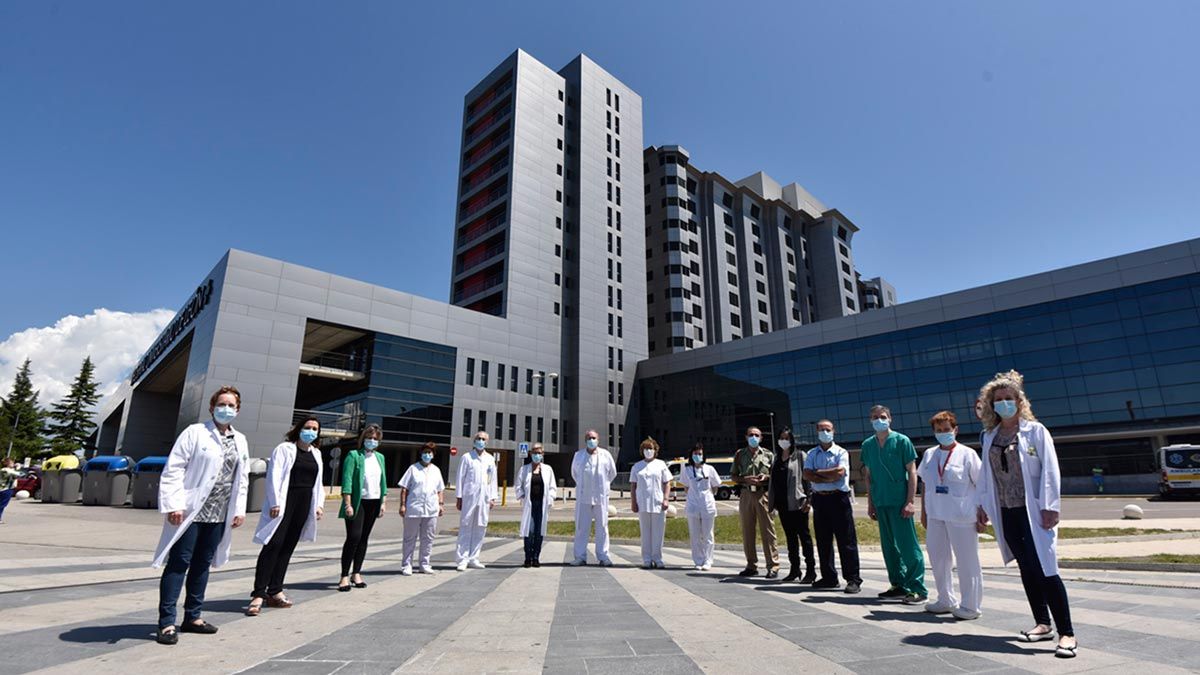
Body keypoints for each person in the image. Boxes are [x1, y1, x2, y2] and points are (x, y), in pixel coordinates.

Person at [976, 370, 1077, 658]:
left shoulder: (1035, 431)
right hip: (1005, 511)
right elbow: (986, 476)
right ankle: (1042, 623)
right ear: (991, 405)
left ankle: (1067, 632)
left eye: (1009, 398)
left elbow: (1050, 470)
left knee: (1045, 567)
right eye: (998, 400)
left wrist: (1050, 506)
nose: (1004, 403)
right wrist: (981, 505)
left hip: (1033, 510)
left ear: (1020, 402)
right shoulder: (989, 436)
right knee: (1026, 567)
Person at [152, 386, 250, 645]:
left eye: (231, 405)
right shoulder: (195, 433)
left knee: (202, 565)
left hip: (219, 513)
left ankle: (192, 617)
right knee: (179, 563)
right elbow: (174, 468)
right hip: (190, 511)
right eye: (222, 404)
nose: (226, 409)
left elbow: (242, 479)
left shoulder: (240, 440)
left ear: (238, 410)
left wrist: (239, 509)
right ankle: (166, 623)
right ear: (211, 406)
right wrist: (174, 504)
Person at [247, 417, 324, 615]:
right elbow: (274, 475)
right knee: (273, 545)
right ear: (298, 429)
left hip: (304, 502)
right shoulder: (285, 449)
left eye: (315, 429)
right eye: (307, 427)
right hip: (285, 501)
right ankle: (258, 593)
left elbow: (318, 482)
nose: (311, 431)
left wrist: (319, 505)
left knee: (288, 547)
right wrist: (274, 502)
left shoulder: (316, 453)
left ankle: (275, 591)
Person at [918, 411, 983, 620]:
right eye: (939, 430)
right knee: (938, 558)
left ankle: (971, 605)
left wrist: (983, 513)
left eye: (947, 430)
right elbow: (925, 484)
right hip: (936, 514)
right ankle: (946, 599)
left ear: (955, 430)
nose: (943, 433)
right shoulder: (929, 454)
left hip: (961, 515)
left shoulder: (967, 454)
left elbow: (981, 485)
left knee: (967, 560)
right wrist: (924, 512)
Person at [861, 405, 927, 604]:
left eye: (882, 416)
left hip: (900, 502)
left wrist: (910, 502)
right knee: (889, 547)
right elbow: (869, 477)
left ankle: (917, 588)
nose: (878, 420)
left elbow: (912, 472)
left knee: (908, 546)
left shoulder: (902, 441)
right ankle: (898, 584)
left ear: (890, 419)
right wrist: (871, 503)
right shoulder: (867, 445)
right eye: (874, 417)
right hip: (881, 501)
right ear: (870, 420)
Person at [803, 420, 861, 593]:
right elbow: (806, 474)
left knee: (846, 541)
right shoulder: (812, 453)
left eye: (827, 429)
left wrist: (817, 474)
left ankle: (853, 579)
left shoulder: (841, 452)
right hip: (820, 500)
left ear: (833, 431)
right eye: (821, 429)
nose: (824, 432)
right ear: (816, 431)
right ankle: (829, 577)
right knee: (823, 540)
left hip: (839, 499)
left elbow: (840, 473)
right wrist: (827, 475)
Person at [337, 424, 388, 592]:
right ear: (363, 438)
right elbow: (347, 481)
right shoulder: (354, 455)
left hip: (373, 502)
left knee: (364, 538)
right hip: (358, 503)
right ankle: (344, 575)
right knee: (353, 537)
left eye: (375, 439)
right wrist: (348, 504)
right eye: (369, 437)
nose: (372, 441)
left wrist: (383, 502)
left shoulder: (380, 457)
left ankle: (356, 573)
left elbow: (383, 482)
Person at [730, 425, 778, 578]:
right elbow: (733, 476)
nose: (754, 438)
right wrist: (745, 479)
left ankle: (773, 566)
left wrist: (766, 478)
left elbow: (776, 476)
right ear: (746, 437)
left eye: (757, 435)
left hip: (763, 494)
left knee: (768, 531)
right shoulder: (740, 454)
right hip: (746, 494)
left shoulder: (769, 455)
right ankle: (751, 565)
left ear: (761, 438)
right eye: (751, 435)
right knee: (747, 531)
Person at [769, 429, 815, 583]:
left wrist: (809, 500)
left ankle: (811, 571)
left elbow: (808, 479)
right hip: (782, 505)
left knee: (804, 537)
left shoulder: (800, 456)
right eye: (781, 438)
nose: (783, 441)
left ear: (792, 440)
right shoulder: (776, 459)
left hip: (798, 504)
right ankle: (795, 569)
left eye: (786, 438)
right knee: (790, 539)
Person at [571, 429, 617, 566]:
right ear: (585, 440)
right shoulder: (578, 456)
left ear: (598, 439)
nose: (591, 440)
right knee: (581, 527)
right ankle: (580, 556)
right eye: (589, 438)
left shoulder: (606, 455)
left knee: (602, 526)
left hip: (600, 497)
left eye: (594, 438)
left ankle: (603, 556)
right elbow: (574, 473)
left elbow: (612, 473)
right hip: (583, 497)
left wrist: (604, 486)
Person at [399, 442, 445, 575]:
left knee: (428, 538)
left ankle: (424, 564)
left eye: (430, 453)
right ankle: (406, 565)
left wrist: (441, 504)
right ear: (421, 454)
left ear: (433, 455)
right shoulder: (413, 468)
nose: (427, 455)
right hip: (413, 508)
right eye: (425, 452)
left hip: (431, 509)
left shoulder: (436, 470)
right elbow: (404, 488)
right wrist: (402, 505)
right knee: (409, 538)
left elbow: (440, 489)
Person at [456, 431, 498, 571]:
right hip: (469, 497)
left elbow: (492, 479)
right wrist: (459, 497)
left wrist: (492, 497)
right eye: (478, 438)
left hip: (484, 498)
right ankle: (462, 559)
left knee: (480, 527)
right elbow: (460, 478)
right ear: (474, 441)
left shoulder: (490, 459)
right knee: (466, 526)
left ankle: (474, 557)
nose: (481, 441)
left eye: (483, 439)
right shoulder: (467, 457)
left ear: (487, 442)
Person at [630, 437, 672, 569]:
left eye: (651, 448)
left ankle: (658, 558)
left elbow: (667, 482)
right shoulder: (637, 466)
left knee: (658, 532)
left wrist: (666, 498)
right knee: (645, 532)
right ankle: (647, 559)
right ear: (642, 451)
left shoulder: (661, 464)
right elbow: (633, 486)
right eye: (646, 449)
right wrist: (633, 502)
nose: (648, 451)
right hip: (643, 503)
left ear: (655, 450)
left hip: (658, 502)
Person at [516, 442, 557, 567]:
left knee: (539, 531)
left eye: (539, 453)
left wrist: (550, 498)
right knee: (529, 531)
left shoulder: (548, 469)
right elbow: (518, 485)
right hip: (530, 504)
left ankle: (536, 557)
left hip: (542, 504)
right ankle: (528, 557)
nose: (536, 455)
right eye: (534, 452)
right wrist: (522, 496)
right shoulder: (524, 469)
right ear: (530, 454)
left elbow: (552, 487)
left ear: (542, 454)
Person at [682, 443, 720, 570]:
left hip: (707, 504)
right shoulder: (686, 470)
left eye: (700, 454)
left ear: (703, 455)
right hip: (693, 505)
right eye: (695, 454)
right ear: (691, 455)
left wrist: (707, 496)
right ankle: (698, 560)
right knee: (695, 534)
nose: (697, 456)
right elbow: (686, 487)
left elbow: (715, 486)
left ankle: (708, 560)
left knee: (708, 534)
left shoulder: (709, 469)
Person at [0, 458, 19, 524]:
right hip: (6, 489)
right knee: (2, 504)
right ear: (7, 464)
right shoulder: (6, 470)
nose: (13, 464)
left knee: (2, 504)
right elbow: (21, 474)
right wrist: (18, 468)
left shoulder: (6, 470)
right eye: (12, 463)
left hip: (4, 488)